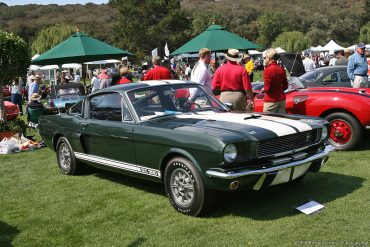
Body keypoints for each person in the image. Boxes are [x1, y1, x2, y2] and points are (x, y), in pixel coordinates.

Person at [262, 48, 288, 113]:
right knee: (280, 120)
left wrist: (263, 90)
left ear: (269, 57)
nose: (265, 59)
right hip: (282, 99)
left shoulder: (267, 70)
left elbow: (267, 88)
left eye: (265, 57)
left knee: (268, 120)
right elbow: (285, 86)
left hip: (271, 100)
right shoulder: (282, 69)